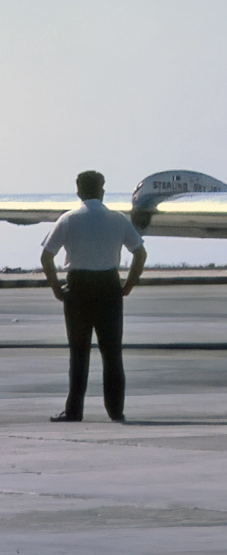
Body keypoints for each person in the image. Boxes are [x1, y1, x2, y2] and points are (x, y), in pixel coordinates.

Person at [40, 171, 147, 422]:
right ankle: (115, 410)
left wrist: (56, 287)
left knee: (78, 353)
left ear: (78, 191)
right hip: (109, 286)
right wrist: (129, 283)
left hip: (78, 288)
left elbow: (46, 256)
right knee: (112, 353)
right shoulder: (117, 219)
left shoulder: (68, 219)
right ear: (102, 191)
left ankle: (74, 410)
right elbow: (140, 253)